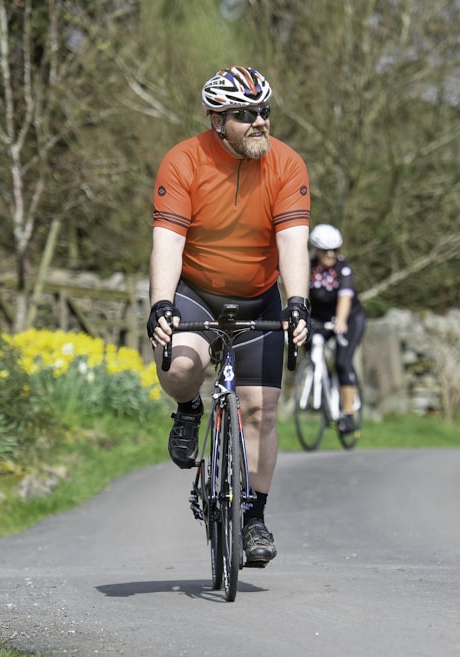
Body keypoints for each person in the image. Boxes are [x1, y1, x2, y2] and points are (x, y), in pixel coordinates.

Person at [147, 66, 311, 567]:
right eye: (246, 115)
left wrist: (298, 302)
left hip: (258, 294)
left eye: (265, 111)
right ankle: (189, 409)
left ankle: (255, 516)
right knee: (179, 365)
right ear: (217, 121)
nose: (260, 122)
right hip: (197, 291)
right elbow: (168, 243)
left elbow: (293, 243)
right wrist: (162, 304)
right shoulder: (183, 161)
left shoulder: (286, 164)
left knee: (260, 409)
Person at [307, 224, 366, 435]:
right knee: (307, 345)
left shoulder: (344, 268)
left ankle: (348, 414)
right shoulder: (308, 265)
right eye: (326, 251)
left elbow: (345, 296)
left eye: (336, 250)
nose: (331, 254)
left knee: (342, 362)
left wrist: (341, 320)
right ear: (316, 249)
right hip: (320, 319)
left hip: (349, 319)